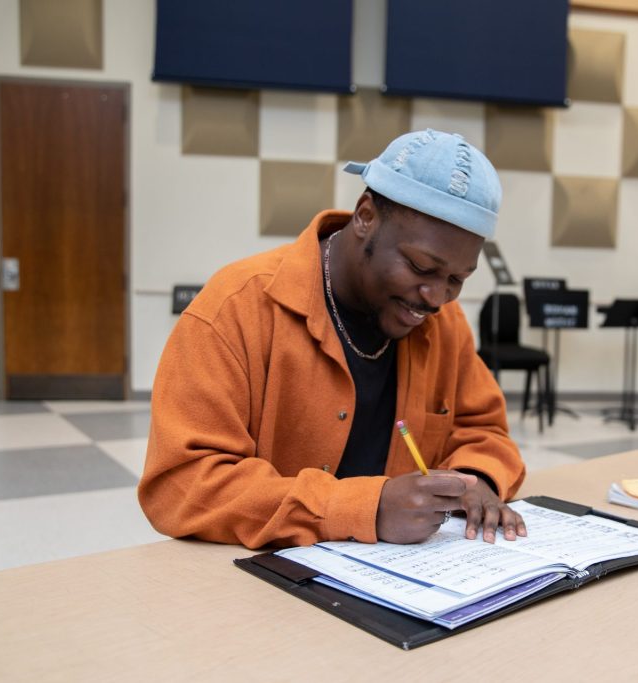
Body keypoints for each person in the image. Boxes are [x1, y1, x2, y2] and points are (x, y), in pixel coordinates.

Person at [139, 129, 526, 549]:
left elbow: (484, 429)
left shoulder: (444, 322)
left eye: (456, 279)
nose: (436, 297)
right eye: (419, 267)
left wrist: (476, 479)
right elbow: (182, 482)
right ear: (364, 217)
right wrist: (363, 508)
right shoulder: (236, 307)